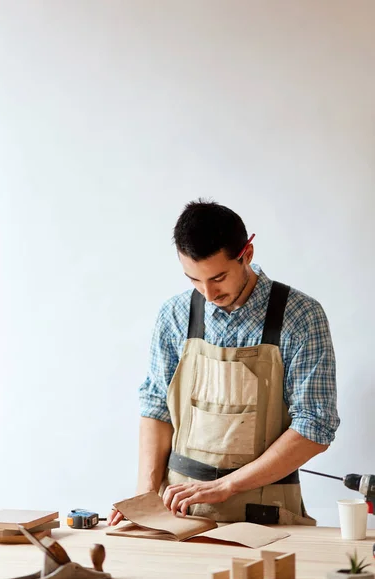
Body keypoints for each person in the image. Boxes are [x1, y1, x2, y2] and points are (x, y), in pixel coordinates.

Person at [108, 200, 340, 526]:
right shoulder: (174, 315)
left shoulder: (300, 316)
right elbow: (156, 406)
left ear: (247, 253)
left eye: (218, 277)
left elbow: (314, 427)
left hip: (267, 513)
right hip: (177, 511)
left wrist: (226, 485)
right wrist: (145, 494)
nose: (208, 293)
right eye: (194, 280)